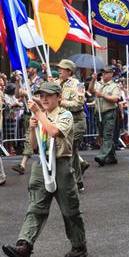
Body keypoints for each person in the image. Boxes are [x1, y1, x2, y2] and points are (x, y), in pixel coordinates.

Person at [2, 82, 87, 257]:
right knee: (36, 207)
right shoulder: (40, 117)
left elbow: (55, 132)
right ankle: (24, 245)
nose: (44, 99)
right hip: (41, 164)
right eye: (41, 96)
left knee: (69, 209)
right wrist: (32, 128)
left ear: (58, 97)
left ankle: (79, 245)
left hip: (61, 164)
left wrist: (39, 114)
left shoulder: (65, 115)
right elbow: (33, 146)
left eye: (48, 95)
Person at [56, 59, 88, 191]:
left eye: (62, 68)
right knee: (71, 152)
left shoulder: (78, 85)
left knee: (70, 151)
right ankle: (77, 182)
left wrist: (62, 102)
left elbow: (78, 105)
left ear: (69, 71)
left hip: (76, 121)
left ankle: (71, 182)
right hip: (63, 122)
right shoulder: (57, 83)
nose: (59, 70)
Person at [12, 61, 44, 175]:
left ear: (35, 70)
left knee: (31, 139)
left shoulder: (41, 83)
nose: (27, 70)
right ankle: (42, 161)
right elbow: (17, 95)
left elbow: (42, 100)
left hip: (37, 114)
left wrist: (26, 93)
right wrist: (17, 83)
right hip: (27, 114)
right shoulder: (25, 82)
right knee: (33, 139)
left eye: (29, 68)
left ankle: (23, 164)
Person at [88, 66, 121, 166]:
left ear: (111, 74)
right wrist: (93, 80)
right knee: (102, 135)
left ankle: (101, 156)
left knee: (107, 135)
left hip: (109, 112)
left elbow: (115, 98)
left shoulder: (114, 86)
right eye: (103, 72)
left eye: (106, 73)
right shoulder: (98, 84)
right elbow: (90, 90)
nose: (104, 74)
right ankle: (112, 157)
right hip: (99, 113)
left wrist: (102, 95)